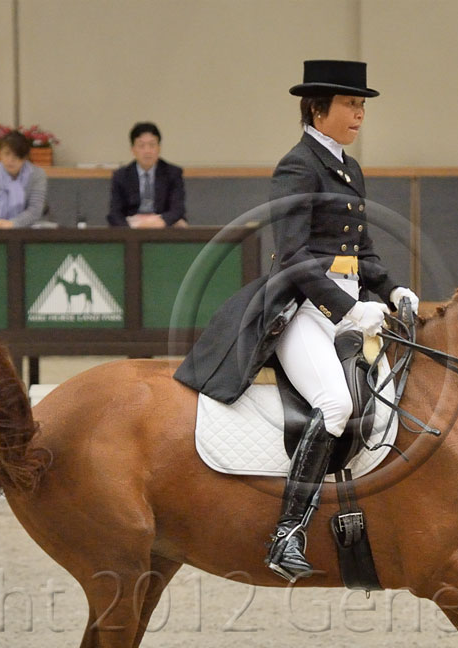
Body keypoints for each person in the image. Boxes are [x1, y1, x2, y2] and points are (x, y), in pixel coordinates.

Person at [172, 59, 419, 582]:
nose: (360, 114)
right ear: (317, 109)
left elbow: (361, 249)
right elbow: (294, 257)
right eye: (351, 105)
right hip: (304, 310)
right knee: (335, 402)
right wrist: (347, 308)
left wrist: (391, 287)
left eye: (362, 106)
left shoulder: (348, 168)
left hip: (351, 307)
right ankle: (287, 533)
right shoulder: (297, 166)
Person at [107, 122, 187, 228]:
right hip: (132, 222)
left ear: (159, 148)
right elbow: (115, 212)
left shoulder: (173, 173)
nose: (147, 151)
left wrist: (160, 222)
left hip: (161, 221)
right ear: (133, 149)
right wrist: (130, 229)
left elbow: (178, 209)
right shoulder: (121, 176)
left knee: (180, 224)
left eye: (152, 145)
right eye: (141, 146)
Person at [0, 131, 48, 229]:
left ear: (25, 158)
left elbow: (35, 211)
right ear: (0, 153)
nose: (10, 160)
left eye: (16, 156)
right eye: (6, 154)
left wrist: (12, 224)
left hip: (28, 231)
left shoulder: (37, 175)